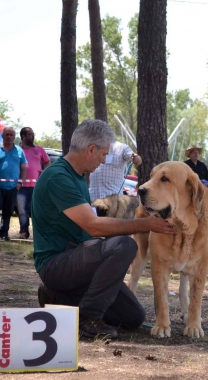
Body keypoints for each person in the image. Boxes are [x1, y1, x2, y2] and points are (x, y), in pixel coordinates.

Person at [32, 119, 175, 339]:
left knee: (133, 317)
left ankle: (58, 297)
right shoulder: (58, 177)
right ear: (91, 149)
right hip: (56, 264)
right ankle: (87, 318)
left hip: (78, 261)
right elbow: (93, 225)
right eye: (103, 154)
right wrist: (146, 224)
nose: (105, 160)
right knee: (124, 245)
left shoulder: (78, 176)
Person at [0, 127, 27, 241]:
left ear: (14, 136)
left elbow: (23, 168)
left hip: (13, 187)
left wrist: (20, 183)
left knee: (8, 211)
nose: (9, 136)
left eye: (11, 135)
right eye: (6, 134)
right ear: (2, 136)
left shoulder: (19, 151)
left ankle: (4, 234)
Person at [17, 127, 50, 239]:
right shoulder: (16, 150)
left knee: (36, 210)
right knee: (22, 210)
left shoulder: (39, 149)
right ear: (24, 136)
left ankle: (38, 233)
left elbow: (47, 162)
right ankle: (24, 232)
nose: (33, 136)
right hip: (20, 186)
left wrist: (45, 173)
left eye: (33, 134)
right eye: (31, 134)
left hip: (36, 186)